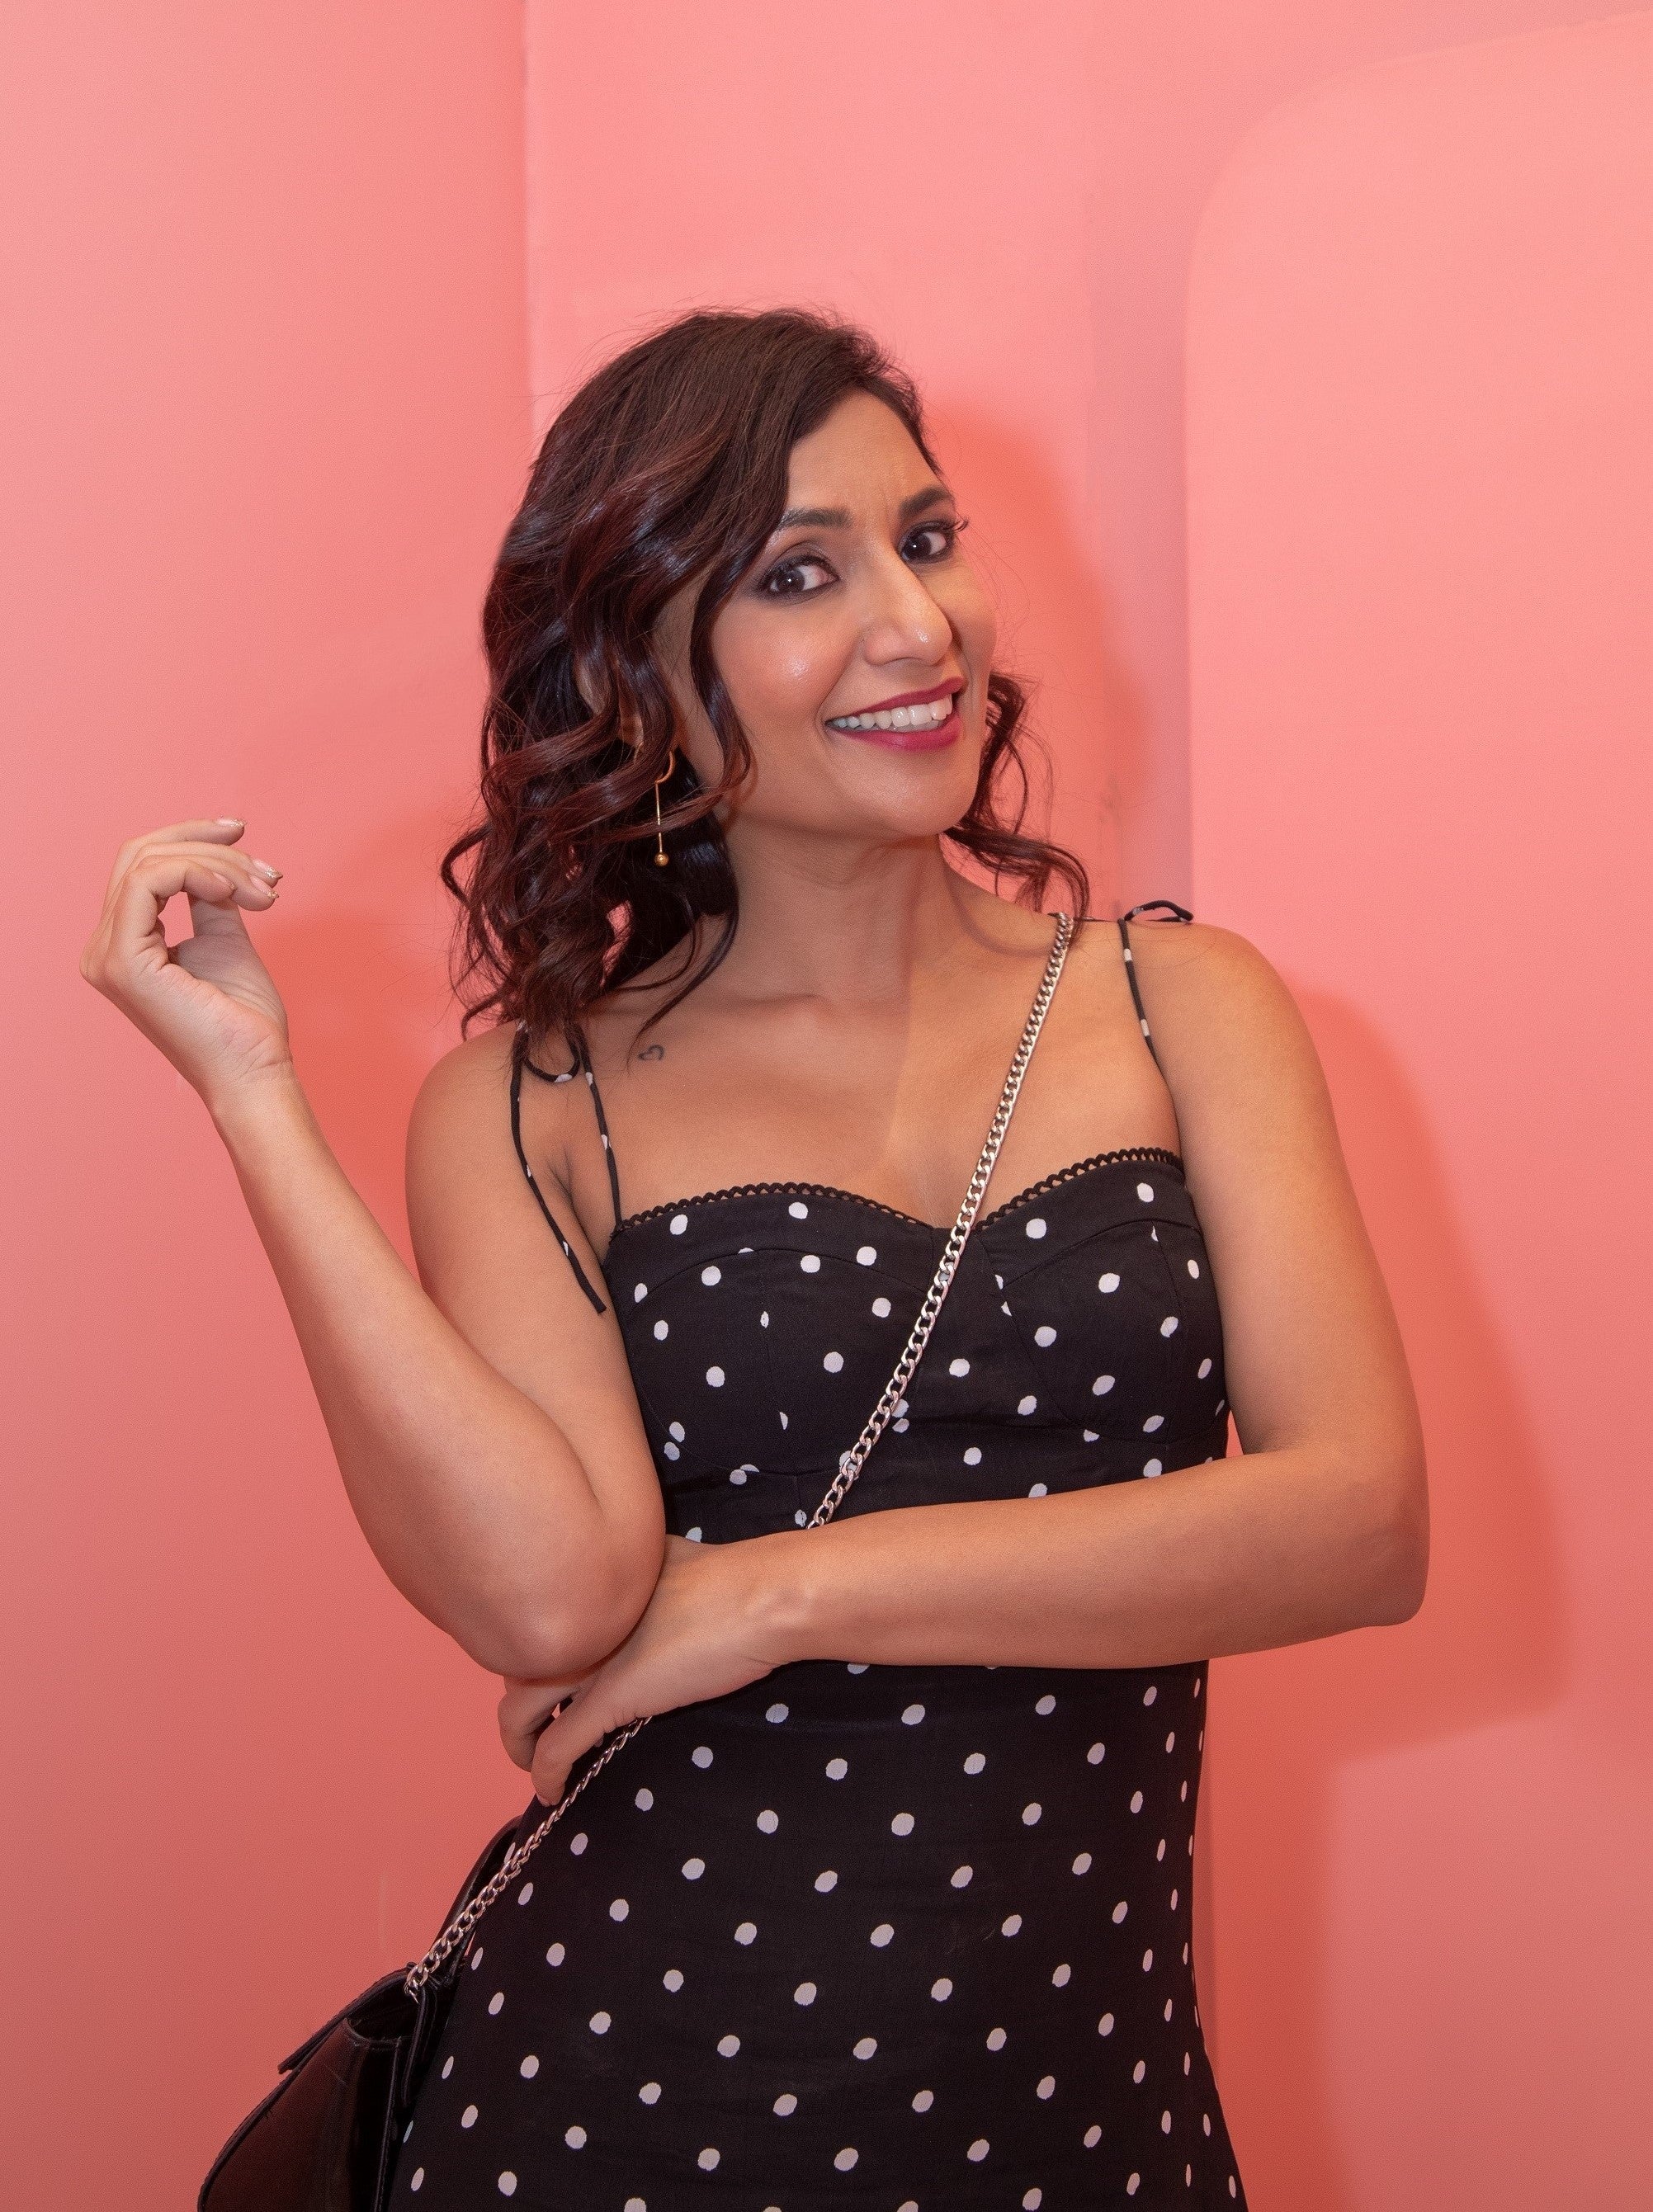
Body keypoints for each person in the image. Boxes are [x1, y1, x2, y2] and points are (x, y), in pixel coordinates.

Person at [81, 308, 1427, 2208]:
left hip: (1084, 2115)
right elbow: (550, 1601)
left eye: (928, 539)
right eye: (803, 573)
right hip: (622, 2108)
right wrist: (255, 1096)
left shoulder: (1182, 1007)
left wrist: (770, 1597)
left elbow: (1359, 1523)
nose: (918, 623)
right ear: (640, 661)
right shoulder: (536, 1101)